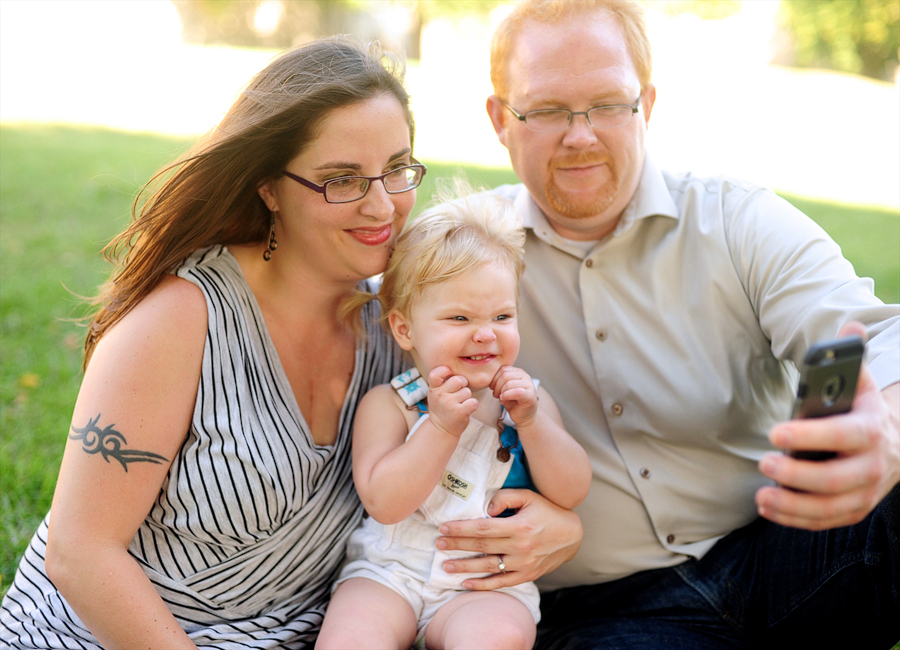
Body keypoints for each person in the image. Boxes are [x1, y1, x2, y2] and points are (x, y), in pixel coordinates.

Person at [0, 38, 583, 649]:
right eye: (341, 180)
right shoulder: (181, 316)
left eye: (396, 168)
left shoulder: (406, 324)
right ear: (268, 187)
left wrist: (562, 530)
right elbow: (80, 553)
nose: (383, 204)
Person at [468, 0, 900, 648]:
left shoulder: (734, 219)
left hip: (785, 544)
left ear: (645, 103)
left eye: (608, 104)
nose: (580, 134)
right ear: (502, 119)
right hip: (605, 610)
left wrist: (880, 428)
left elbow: (861, 339)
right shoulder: (465, 251)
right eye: (549, 109)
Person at [315, 189, 592, 650]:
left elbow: (572, 490)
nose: (484, 333)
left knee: (497, 637)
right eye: (460, 316)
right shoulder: (392, 404)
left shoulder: (528, 404)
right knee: (351, 638)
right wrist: (440, 427)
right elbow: (385, 501)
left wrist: (533, 423)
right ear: (405, 329)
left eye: (502, 315)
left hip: (486, 583)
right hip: (389, 571)